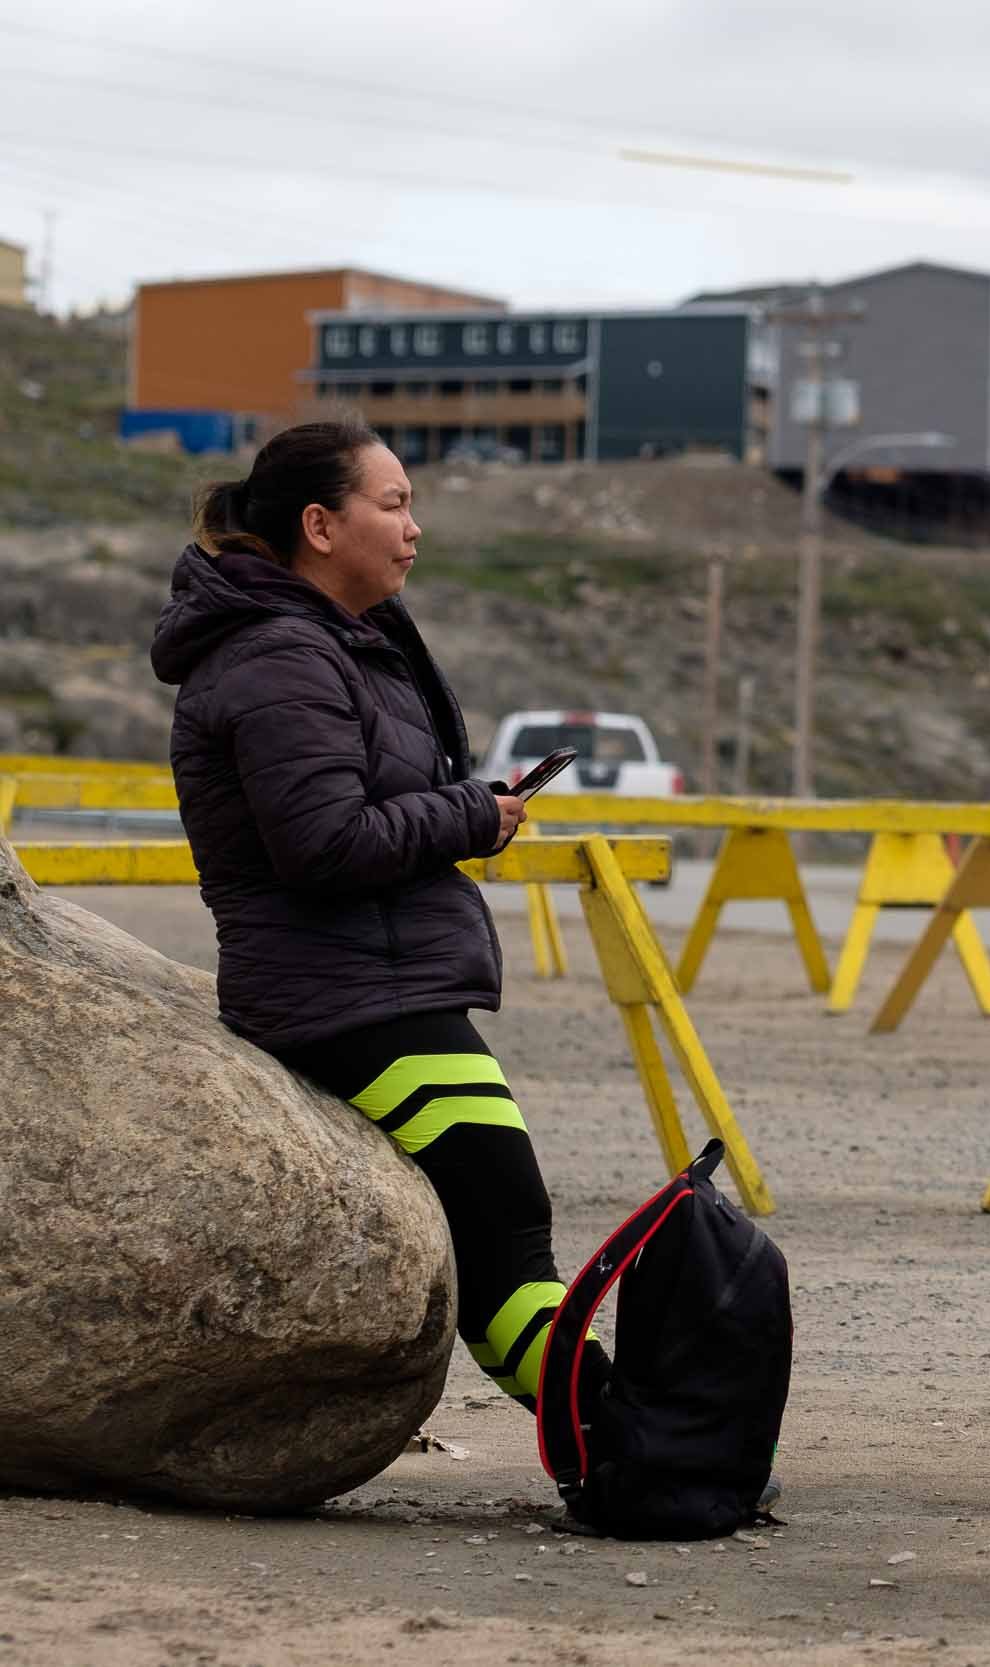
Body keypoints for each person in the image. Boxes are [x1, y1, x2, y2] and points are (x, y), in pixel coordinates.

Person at [150, 422, 629, 1472]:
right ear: (321, 526)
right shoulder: (279, 654)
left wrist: (466, 812)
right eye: (394, 502)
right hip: (346, 992)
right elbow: (323, 844)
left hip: (374, 977)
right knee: (506, 1234)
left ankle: (618, 1431)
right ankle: (622, 1440)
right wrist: (468, 817)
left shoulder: (331, 641)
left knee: (509, 1223)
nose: (415, 527)